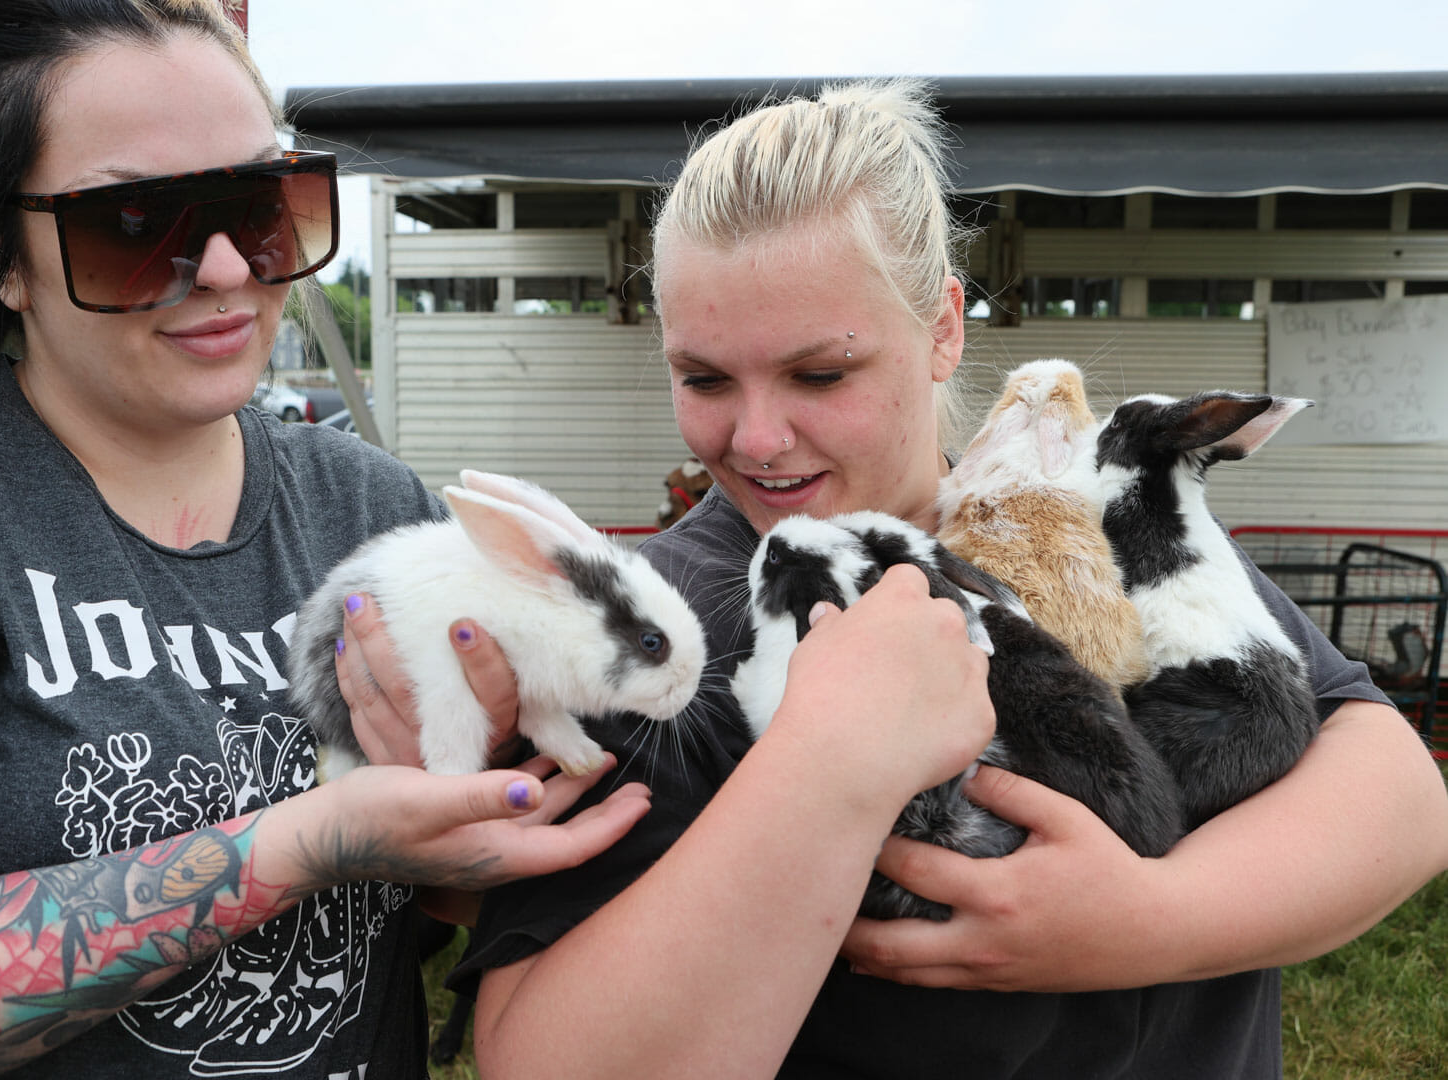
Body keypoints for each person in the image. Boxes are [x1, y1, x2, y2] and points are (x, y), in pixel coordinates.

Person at [408, 79, 1448, 1077]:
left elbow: (1394, 788)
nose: (757, 438)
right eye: (704, 377)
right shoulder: (659, 635)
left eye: (821, 373)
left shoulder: (1085, 514)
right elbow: (548, 1057)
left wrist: (1145, 922)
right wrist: (822, 768)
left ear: (944, 326)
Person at [0, 2, 676, 1076]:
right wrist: (314, 841)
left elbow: (446, 902)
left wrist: (475, 803)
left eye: (264, 206)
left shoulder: (372, 505)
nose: (229, 269)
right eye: (136, 222)